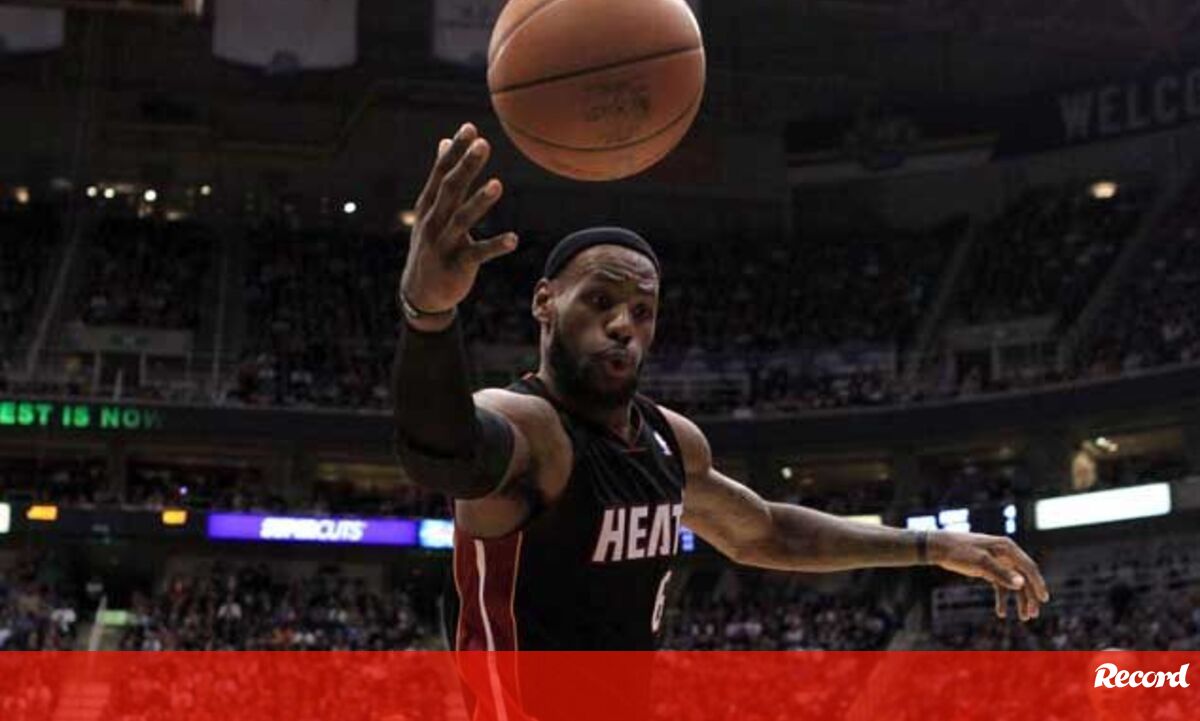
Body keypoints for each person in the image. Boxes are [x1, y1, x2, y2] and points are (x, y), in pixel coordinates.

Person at [392, 123, 1050, 718]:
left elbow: (767, 532)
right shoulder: (530, 426)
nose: (622, 324)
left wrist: (932, 546)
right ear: (545, 302)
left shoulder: (669, 440)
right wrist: (429, 316)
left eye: (642, 311)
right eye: (599, 300)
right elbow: (442, 452)